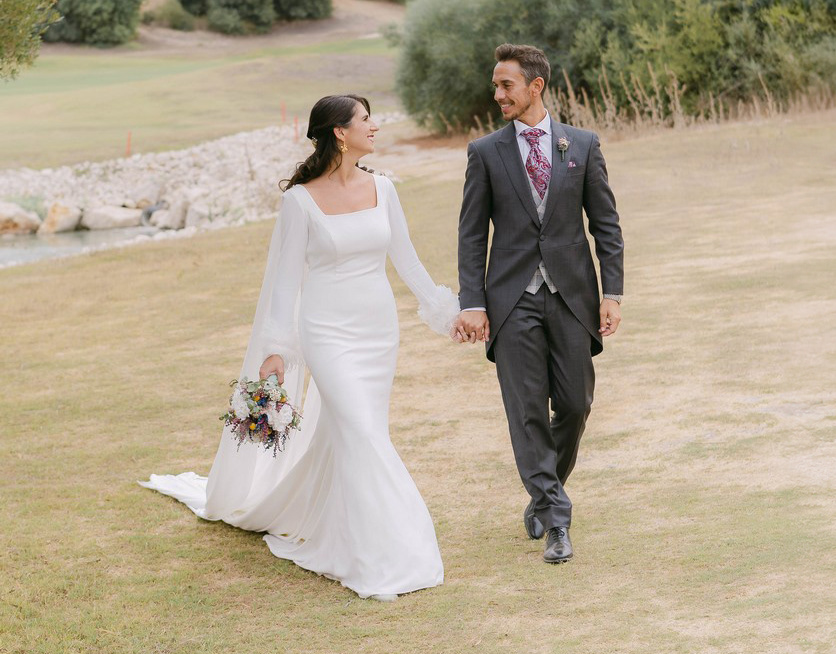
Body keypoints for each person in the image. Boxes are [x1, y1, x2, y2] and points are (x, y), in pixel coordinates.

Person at [139, 94, 460, 601]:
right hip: (327, 332)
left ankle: (338, 528)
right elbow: (285, 282)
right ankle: (389, 552)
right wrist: (275, 349)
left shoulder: (384, 188)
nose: (374, 126)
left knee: (358, 432)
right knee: (362, 433)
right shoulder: (300, 202)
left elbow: (408, 261)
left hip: (378, 331)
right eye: (366, 119)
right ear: (339, 132)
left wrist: (447, 313)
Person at [454, 44, 624, 564]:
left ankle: (543, 491)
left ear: (536, 86)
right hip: (511, 301)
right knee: (527, 410)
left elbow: (606, 225)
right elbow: (471, 235)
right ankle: (556, 520)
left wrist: (612, 293)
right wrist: (472, 302)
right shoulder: (485, 152)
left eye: (506, 85)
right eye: (495, 86)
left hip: (572, 297)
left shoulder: (583, 144)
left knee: (575, 404)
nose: (497, 94)